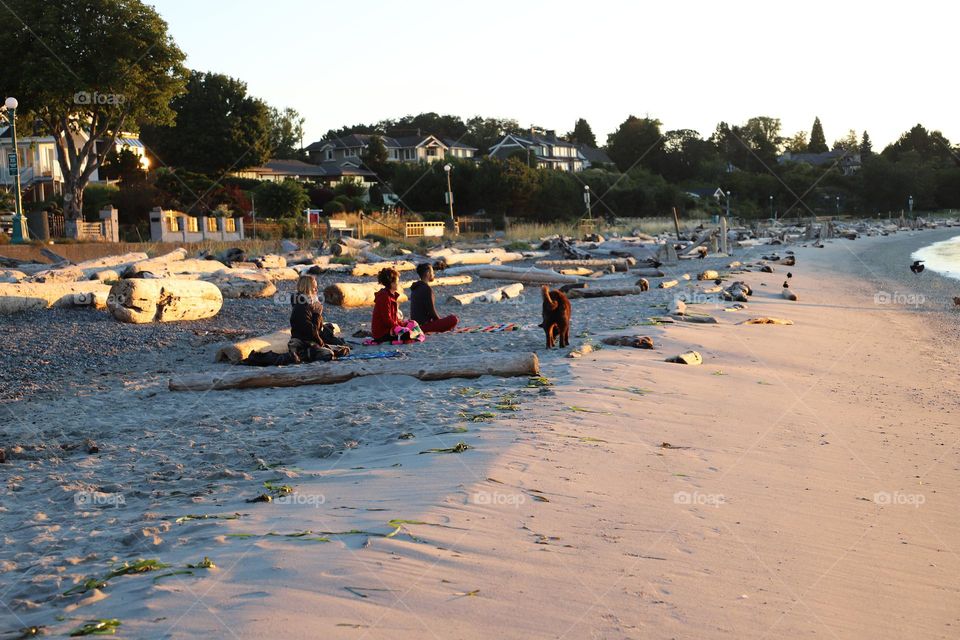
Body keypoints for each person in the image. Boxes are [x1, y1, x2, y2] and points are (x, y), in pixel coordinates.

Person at [288, 275, 349, 362]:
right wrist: (317, 314)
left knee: (343, 349)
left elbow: (317, 328)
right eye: (314, 287)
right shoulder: (302, 306)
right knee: (328, 354)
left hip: (312, 338)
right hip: (305, 340)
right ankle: (302, 354)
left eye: (316, 287)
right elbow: (311, 331)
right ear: (307, 288)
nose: (316, 290)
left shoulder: (309, 304)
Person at [371, 267, 424, 344]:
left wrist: (402, 324)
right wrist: (399, 327)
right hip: (382, 333)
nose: (398, 284)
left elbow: (394, 319)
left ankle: (415, 334)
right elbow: (387, 320)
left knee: (412, 323)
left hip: (390, 328)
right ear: (391, 283)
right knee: (407, 334)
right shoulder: (384, 297)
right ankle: (415, 335)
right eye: (397, 282)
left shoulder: (390, 295)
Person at [409, 263, 458, 333]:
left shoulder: (415, 288)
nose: (434, 274)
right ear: (428, 273)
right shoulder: (426, 289)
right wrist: (440, 321)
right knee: (454, 319)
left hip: (415, 325)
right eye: (432, 272)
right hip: (423, 327)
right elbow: (431, 312)